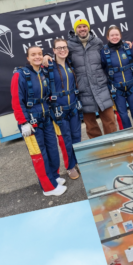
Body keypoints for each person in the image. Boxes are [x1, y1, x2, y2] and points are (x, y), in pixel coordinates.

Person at [12, 46, 67, 196]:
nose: (37, 56)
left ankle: (54, 177)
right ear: (27, 58)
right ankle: (48, 188)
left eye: (39, 54)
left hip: (46, 118)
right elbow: (17, 101)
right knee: (39, 155)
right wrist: (23, 122)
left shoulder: (42, 72)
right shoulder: (20, 75)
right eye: (33, 54)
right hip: (30, 123)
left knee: (52, 150)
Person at [66, 19, 118, 139]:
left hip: (101, 87)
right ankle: (99, 151)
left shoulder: (97, 42)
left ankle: (114, 147)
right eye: (79, 27)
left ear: (88, 28)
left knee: (110, 121)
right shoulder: (69, 45)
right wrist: (47, 56)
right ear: (75, 30)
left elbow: (109, 54)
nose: (82, 29)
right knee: (91, 126)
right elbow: (60, 58)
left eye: (84, 26)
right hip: (83, 90)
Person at [46, 38, 81, 179]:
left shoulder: (70, 64)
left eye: (64, 47)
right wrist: (45, 57)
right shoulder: (48, 67)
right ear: (53, 50)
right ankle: (70, 166)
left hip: (73, 108)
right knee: (65, 139)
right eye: (59, 48)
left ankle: (78, 162)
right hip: (59, 111)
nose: (62, 50)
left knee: (76, 137)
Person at [101, 25, 133, 129]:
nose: (114, 37)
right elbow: (102, 68)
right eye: (112, 35)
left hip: (132, 86)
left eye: (116, 34)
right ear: (108, 37)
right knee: (123, 116)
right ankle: (128, 138)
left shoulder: (127, 47)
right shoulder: (104, 52)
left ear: (120, 35)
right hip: (117, 89)